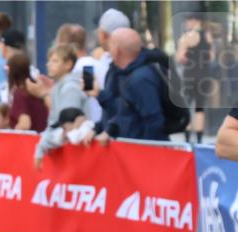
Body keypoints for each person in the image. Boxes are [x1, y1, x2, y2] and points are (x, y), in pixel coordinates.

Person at [92, 28, 168, 144]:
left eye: (111, 45)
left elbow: (154, 121)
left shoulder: (140, 79)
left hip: (144, 153)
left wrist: (146, 152)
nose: (108, 51)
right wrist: (105, 130)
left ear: (116, 50)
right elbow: (125, 113)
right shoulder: (122, 73)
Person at [176, 15, 215, 144]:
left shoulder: (186, 37)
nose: (186, 23)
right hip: (204, 75)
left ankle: (187, 138)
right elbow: (211, 56)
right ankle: (199, 139)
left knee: (187, 106)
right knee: (200, 107)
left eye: (188, 21)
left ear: (194, 21)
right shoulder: (207, 36)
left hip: (190, 76)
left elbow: (180, 57)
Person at [7, 53, 47, 131]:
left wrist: (12, 135)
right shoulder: (37, 89)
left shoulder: (20, 94)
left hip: (29, 141)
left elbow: (25, 124)